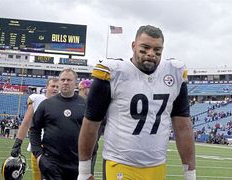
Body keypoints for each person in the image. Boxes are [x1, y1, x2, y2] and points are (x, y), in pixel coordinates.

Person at [78, 25, 196, 180]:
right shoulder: (114, 72)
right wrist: (84, 172)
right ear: (133, 46)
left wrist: (190, 174)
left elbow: (183, 127)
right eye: (145, 48)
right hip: (119, 163)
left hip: (156, 165)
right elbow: (91, 123)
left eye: (157, 50)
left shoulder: (174, 73)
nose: (151, 54)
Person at [29, 68, 86, 180]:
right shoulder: (47, 104)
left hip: (76, 163)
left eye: (69, 80)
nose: (65, 82)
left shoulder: (85, 104)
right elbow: (34, 129)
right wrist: (39, 155)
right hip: (51, 163)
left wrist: (89, 156)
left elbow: (92, 132)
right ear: (59, 82)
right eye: (63, 79)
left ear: (75, 83)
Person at [10, 78, 59, 180]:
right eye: (53, 86)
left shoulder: (64, 103)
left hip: (58, 147)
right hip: (39, 146)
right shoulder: (37, 99)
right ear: (46, 87)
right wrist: (18, 143)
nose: (55, 89)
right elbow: (26, 122)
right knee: (38, 177)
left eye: (57, 87)